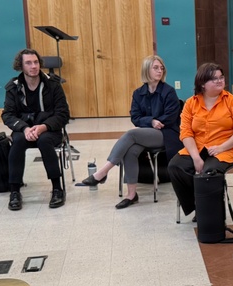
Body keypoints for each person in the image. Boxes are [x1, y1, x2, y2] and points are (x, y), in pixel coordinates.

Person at [76, 55, 181, 209]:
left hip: (167, 134)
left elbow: (171, 117)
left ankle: (102, 173)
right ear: (147, 70)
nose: (160, 70)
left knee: (131, 134)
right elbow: (135, 117)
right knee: (131, 150)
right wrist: (151, 121)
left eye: (161, 68)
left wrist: (152, 122)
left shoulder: (168, 91)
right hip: (146, 133)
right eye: (156, 68)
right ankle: (131, 195)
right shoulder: (138, 93)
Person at [167, 62, 233, 217]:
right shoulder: (191, 103)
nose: (219, 81)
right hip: (196, 148)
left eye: (221, 77)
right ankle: (200, 206)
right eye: (214, 79)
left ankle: (207, 211)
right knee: (175, 167)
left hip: (224, 149)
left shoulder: (232, 101)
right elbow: (185, 132)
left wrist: (222, 147)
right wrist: (195, 157)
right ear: (202, 84)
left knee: (209, 173)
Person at [2, 48, 71, 211]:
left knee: (45, 141)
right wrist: (24, 128)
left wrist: (43, 127)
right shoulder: (13, 87)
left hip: (49, 128)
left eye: (36, 62)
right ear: (21, 66)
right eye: (28, 63)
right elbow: (8, 115)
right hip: (24, 128)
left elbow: (63, 113)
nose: (33, 66)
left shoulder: (53, 84)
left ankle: (57, 188)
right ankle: (14, 191)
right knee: (17, 142)